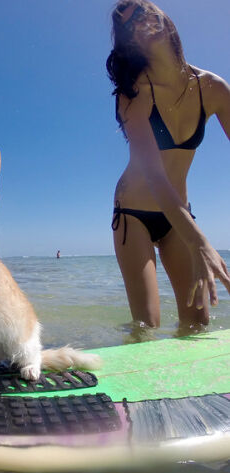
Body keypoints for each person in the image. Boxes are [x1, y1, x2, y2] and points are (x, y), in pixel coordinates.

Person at [107, 0, 230, 329]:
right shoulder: (133, 95)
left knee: (198, 325)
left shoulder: (214, 88)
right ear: (128, 43)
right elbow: (155, 178)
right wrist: (201, 241)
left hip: (179, 214)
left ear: (164, 15)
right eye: (128, 24)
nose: (140, 20)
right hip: (134, 213)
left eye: (144, 9)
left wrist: (193, 236)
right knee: (146, 325)